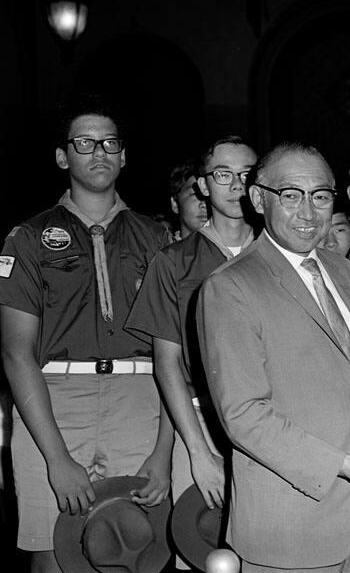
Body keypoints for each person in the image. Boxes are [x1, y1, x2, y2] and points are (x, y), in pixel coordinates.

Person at [197, 142, 350, 572]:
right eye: (291, 195)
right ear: (259, 199)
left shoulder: (343, 271)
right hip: (289, 524)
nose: (308, 212)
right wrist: (346, 465)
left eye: (320, 196)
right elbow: (243, 414)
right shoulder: (231, 288)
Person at [0, 95, 173, 573]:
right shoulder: (29, 238)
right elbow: (17, 355)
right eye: (84, 142)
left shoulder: (156, 237)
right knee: (56, 554)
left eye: (109, 142)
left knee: (138, 549)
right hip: (54, 403)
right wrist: (56, 458)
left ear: (123, 155)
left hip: (140, 400)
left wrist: (164, 452)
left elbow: (171, 355)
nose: (99, 152)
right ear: (63, 156)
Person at [125, 136, 258, 567]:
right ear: (203, 185)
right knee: (204, 550)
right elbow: (167, 364)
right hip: (200, 421)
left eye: (247, 175)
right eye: (223, 175)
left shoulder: (278, 253)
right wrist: (198, 453)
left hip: (272, 419)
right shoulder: (174, 261)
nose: (236, 185)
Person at [168, 158, 208, 240]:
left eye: (210, 196)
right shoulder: (158, 250)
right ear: (175, 204)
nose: (205, 204)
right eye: (196, 194)